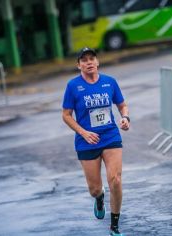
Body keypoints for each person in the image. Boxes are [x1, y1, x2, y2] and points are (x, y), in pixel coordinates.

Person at [62, 47, 130, 236]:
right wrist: (83, 133)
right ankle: (99, 198)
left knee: (115, 179)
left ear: (97, 62)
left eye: (92, 58)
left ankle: (114, 226)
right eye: (84, 60)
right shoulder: (73, 86)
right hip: (87, 141)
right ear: (79, 66)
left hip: (110, 136)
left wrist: (125, 118)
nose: (89, 62)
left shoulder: (110, 82)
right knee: (94, 188)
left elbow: (122, 105)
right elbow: (66, 115)